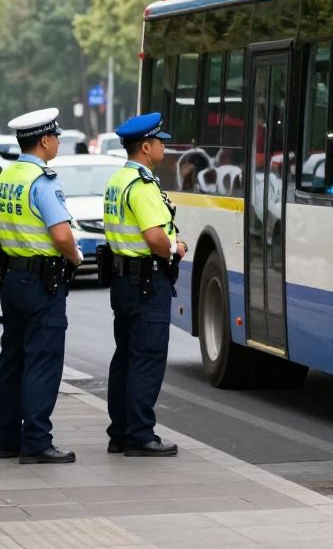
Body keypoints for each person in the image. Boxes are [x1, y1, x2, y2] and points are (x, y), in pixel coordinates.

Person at [102, 112, 187, 456]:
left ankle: (120, 432)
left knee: (125, 357)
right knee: (147, 358)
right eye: (160, 141)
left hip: (124, 282)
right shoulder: (142, 185)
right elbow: (154, 237)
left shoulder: (117, 181)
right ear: (146, 146)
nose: (164, 146)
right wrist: (176, 247)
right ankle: (140, 435)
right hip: (148, 282)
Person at [0, 108, 82, 464]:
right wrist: (76, 258)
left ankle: (7, 439)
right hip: (41, 283)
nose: (59, 142)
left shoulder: (8, 176)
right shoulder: (42, 180)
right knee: (43, 361)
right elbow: (62, 235)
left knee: (12, 359)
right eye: (57, 137)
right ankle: (36, 441)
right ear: (45, 140)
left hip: (12, 278)